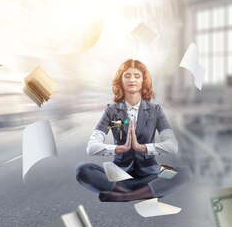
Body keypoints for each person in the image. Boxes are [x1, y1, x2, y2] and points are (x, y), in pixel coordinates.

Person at [75, 59, 191, 202]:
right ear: (121, 81)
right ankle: (139, 193)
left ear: (144, 81)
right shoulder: (111, 110)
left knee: (184, 172)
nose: (132, 80)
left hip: (150, 177)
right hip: (118, 177)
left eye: (137, 76)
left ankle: (125, 196)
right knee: (82, 170)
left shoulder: (156, 110)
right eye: (127, 76)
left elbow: (172, 145)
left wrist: (142, 148)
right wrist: (119, 148)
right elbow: (91, 148)